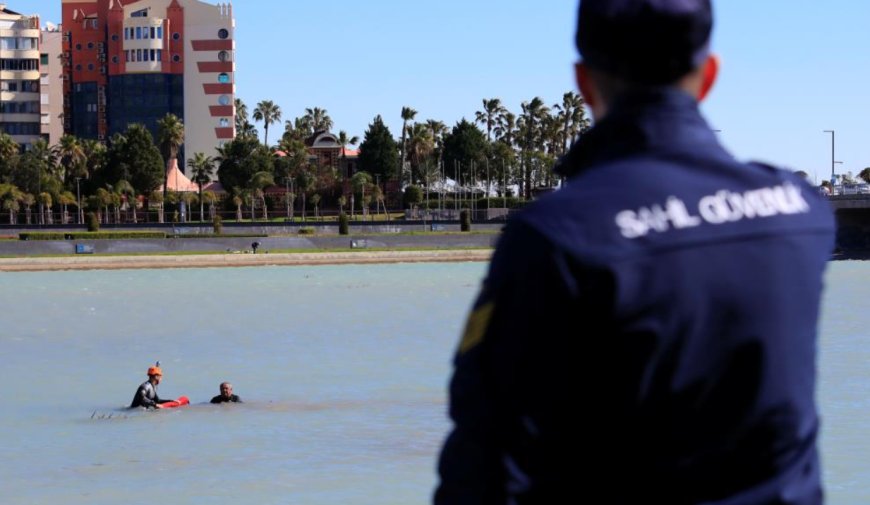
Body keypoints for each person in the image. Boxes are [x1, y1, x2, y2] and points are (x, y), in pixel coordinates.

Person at [434, 1, 835, 503]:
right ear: (709, 74)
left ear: (584, 83)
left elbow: (486, 458)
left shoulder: (557, 235)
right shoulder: (802, 214)